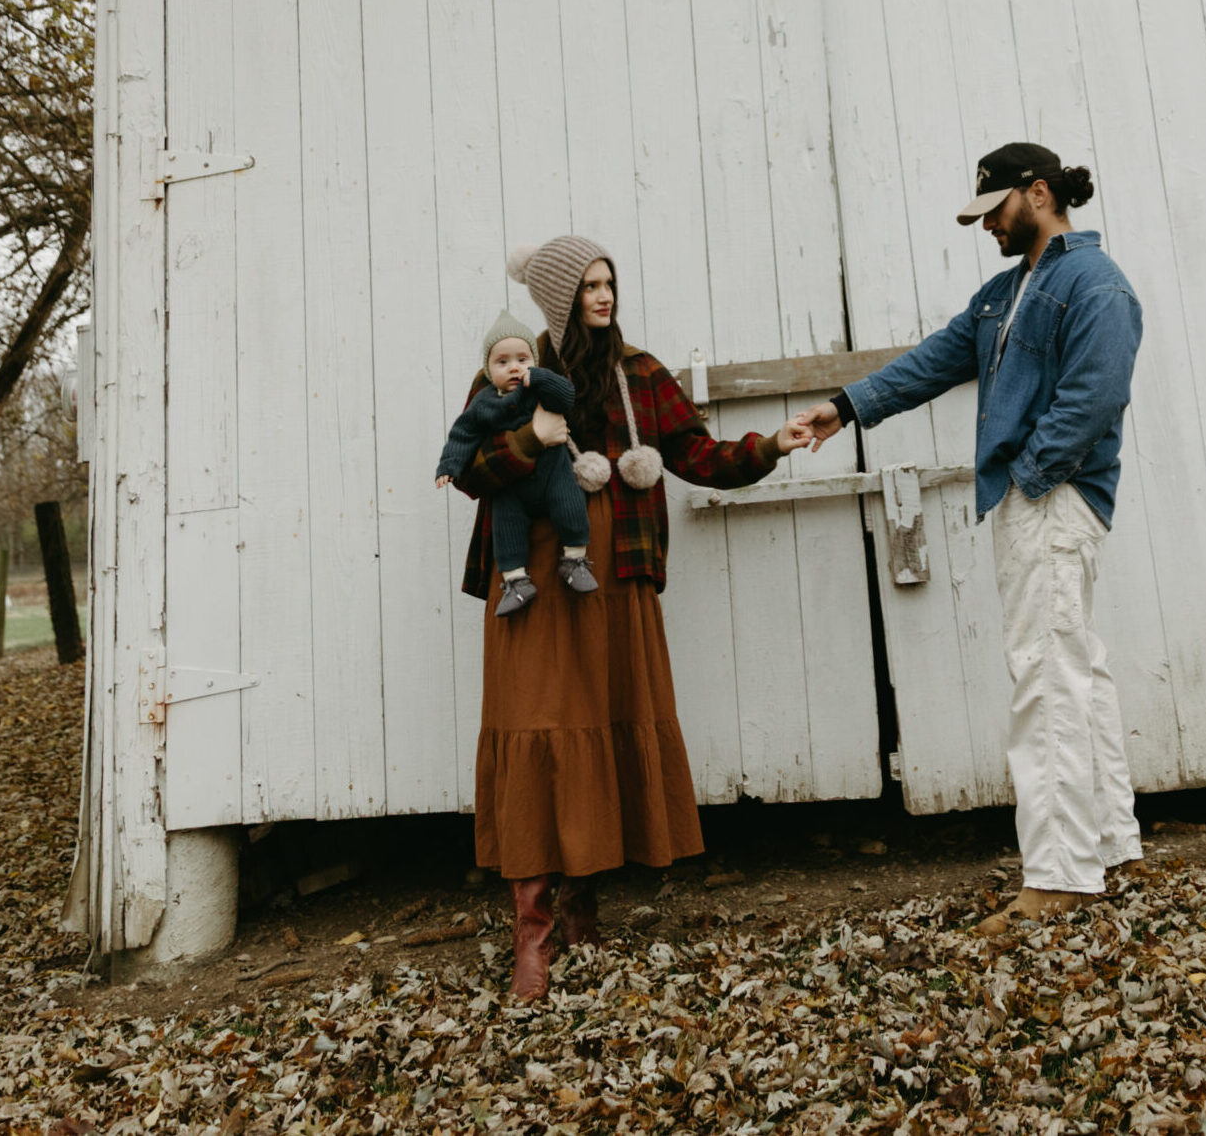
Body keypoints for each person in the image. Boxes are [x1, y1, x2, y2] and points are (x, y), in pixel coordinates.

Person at [448, 234, 814, 1001]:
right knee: (537, 725)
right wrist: (531, 437)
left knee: (601, 723)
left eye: (609, 282)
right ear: (560, 297)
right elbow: (472, 470)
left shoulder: (641, 373)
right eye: (589, 285)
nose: (605, 296)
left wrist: (770, 446)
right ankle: (532, 935)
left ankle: (580, 909)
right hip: (533, 579)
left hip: (615, 577)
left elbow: (698, 455)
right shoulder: (514, 367)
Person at [796, 142, 1144, 934]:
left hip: (1054, 500)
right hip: (1038, 499)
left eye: (995, 209)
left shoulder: (1097, 283)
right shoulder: (1006, 291)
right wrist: (844, 408)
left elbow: (1096, 396)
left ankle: (1058, 877)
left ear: (1039, 193)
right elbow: (933, 360)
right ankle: (1110, 845)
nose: (987, 225)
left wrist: (1031, 473)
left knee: (1045, 675)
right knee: (1076, 666)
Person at [434, 309, 597, 616]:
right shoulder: (484, 402)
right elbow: (463, 434)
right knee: (506, 526)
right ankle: (516, 582)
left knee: (571, 505)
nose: (514, 368)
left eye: (523, 359)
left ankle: (574, 560)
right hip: (511, 485)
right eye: (502, 362)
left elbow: (567, 396)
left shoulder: (539, 389)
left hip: (554, 472)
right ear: (488, 369)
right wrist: (448, 466)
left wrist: (542, 377)